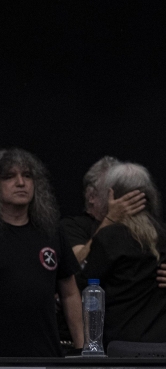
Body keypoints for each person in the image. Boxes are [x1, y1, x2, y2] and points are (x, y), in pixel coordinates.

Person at [79, 162, 166, 345]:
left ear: (111, 195)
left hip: (120, 347)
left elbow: (84, 284)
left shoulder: (108, 238)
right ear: (151, 196)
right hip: (165, 347)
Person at [0, 148, 84, 357]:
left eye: (27, 176)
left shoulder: (52, 232)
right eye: (9, 177)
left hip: (45, 352)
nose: (21, 183)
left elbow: (70, 293)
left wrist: (83, 348)